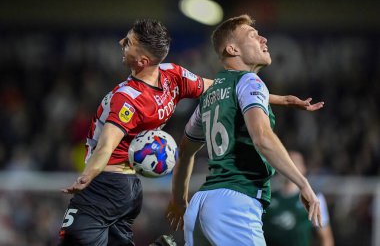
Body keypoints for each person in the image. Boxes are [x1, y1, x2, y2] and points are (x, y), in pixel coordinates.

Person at [58, 18, 322, 246]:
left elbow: (115, 146)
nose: (120, 43)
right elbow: (242, 107)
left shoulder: (136, 98)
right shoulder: (176, 76)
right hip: (219, 198)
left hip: (181, 200)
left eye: (128, 41)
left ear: (143, 59)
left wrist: (88, 175)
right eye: (253, 34)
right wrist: (284, 102)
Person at [166, 14, 323, 246]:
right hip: (235, 203)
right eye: (253, 35)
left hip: (200, 206)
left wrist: (179, 200)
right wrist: (303, 183)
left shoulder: (209, 97)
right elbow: (262, 138)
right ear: (232, 49)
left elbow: (185, 149)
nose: (263, 39)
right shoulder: (250, 81)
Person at [263, 150, 334, 246]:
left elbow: (326, 237)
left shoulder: (314, 199)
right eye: (286, 162)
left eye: (294, 163)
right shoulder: (267, 197)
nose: (290, 168)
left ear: (303, 168)